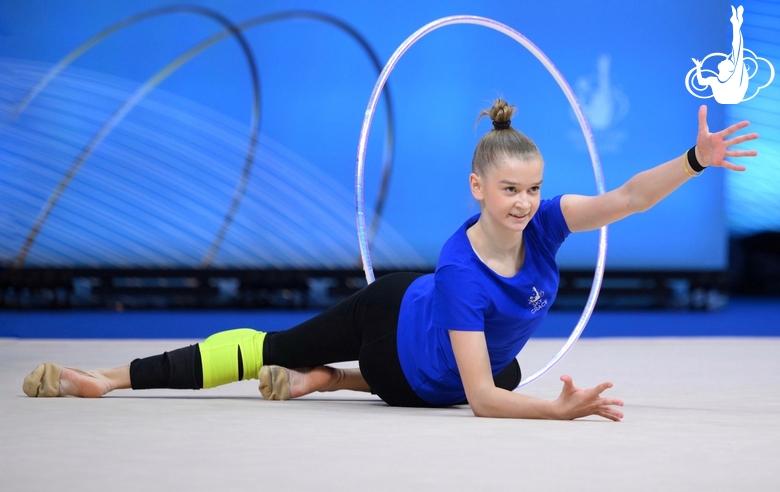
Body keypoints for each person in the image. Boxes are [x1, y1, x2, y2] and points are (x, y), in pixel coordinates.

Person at [22, 99, 758, 421]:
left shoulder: (547, 226)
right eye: (509, 191)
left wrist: (696, 159)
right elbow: (485, 403)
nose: (526, 203)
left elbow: (628, 197)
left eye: (533, 189)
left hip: (443, 367)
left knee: (494, 366)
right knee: (267, 350)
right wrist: (559, 411)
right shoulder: (461, 271)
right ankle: (110, 378)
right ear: (478, 188)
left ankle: (326, 381)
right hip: (395, 335)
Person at [692, 5, 749, 104]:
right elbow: (701, 82)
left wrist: (736, 26)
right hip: (725, 98)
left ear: (730, 69)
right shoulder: (714, 80)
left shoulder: (734, 78)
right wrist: (698, 67)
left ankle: (736, 23)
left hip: (733, 97)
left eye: (728, 61)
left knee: (736, 50)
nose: (725, 59)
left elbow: (737, 48)